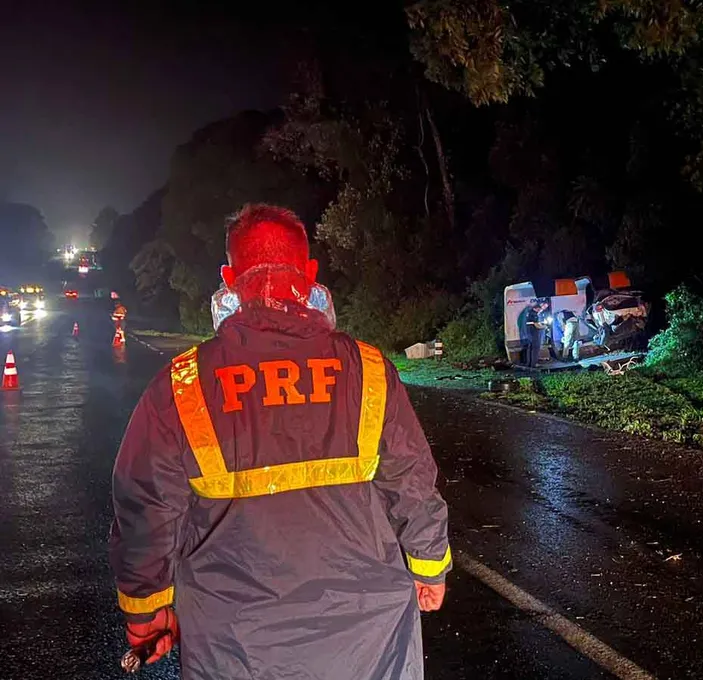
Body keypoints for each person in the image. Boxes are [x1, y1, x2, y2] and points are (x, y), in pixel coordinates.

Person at [109, 204, 451, 679]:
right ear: (310, 275)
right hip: (368, 647)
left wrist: (147, 611)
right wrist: (430, 566)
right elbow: (412, 479)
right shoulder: (368, 371)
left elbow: (145, 508)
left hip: (235, 650)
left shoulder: (183, 384)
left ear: (228, 278)